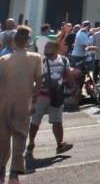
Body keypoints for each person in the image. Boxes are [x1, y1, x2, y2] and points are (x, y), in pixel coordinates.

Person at [0, 26, 43, 184]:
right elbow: (39, 81)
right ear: (28, 41)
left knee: (2, 138)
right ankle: (13, 175)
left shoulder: (3, 60)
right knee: (20, 137)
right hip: (23, 103)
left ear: (14, 41)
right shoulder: (36, 58)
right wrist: (35, 101)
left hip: (3, 104)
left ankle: (1, 171)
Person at [26, 41, 74, 156]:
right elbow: (34, 78)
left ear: (56, 48)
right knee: (35, 122)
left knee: (57, 122)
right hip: (41, 95)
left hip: (56, 96)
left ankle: (60, 145)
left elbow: (68, 75)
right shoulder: (40, 60)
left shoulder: (64, 60)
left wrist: (72, 88)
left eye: (49, 47)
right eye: (46, 47)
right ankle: (31, 142)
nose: (46, 48)